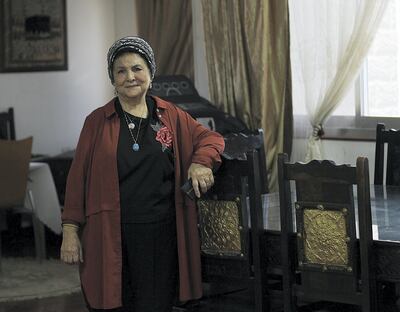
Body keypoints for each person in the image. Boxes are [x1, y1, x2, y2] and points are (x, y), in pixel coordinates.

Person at [60, 36, 225, 312]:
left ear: (150, 73)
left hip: (161, 232)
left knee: (155, 305)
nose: (130, 77)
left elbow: (212, 139)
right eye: (121, 71)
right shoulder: (96, 122)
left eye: (137, 68)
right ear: (112, 79)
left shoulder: (169, 115)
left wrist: (201, 162)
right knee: (112, 303)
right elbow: (77, 179)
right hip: (110, 231)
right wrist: (69, 231)